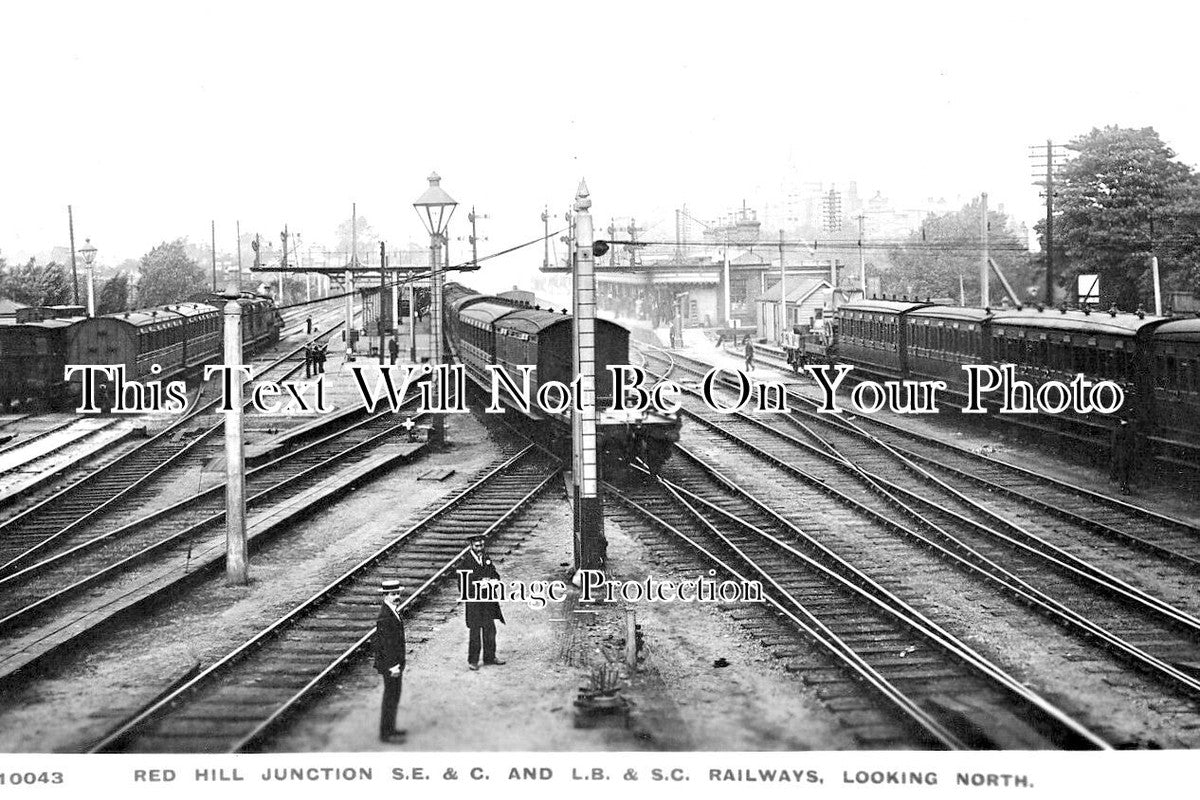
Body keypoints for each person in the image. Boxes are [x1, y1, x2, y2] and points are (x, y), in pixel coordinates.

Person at [456, 535, 505, 670]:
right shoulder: (465, 562)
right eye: (477, 546)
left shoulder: (486, 558)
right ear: (471, 546)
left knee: (490, 630)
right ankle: (473, 661)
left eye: (481, 545)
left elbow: (495, 573)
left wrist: (494, 580)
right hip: (475, 603)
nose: (480, 548)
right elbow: (462, 584)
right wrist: (478, 585)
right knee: (475, 632)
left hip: (488, 601)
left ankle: (490, 657)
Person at [374, 578, 407, 742]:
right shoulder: (385, 616)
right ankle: (386, 733)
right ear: (385, 596)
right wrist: (393, 666)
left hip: (395, 663)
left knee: (394, 695)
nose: (396, 597)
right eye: (393, 594)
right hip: (391, 664)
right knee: (390, 696)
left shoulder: (392, 610)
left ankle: (391, 729)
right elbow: (387, 645)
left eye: (398, 594)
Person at [1110, 417, 1138, 495]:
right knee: (1128, 471)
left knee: (1122, 471)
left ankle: (1123, 487)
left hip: (1120, 453)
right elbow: (1134, 442)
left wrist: (1113, 453)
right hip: (1129, 453)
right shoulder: (1131, 430)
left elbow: (1114, 443)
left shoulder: (1117, 429)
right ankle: (1127, 487)